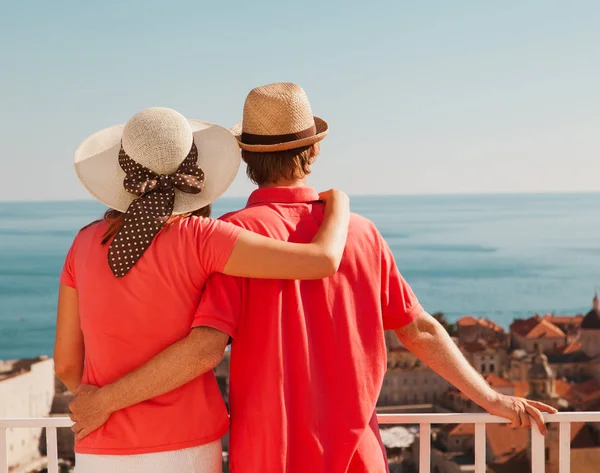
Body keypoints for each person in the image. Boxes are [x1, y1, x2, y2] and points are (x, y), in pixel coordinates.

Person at [69, 85, 557, 473]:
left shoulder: (230, 238)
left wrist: (104, 399)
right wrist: (491, 398)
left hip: (266, 456)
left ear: (244, 159)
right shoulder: (361, 235)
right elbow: (421, 330)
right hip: (355, 454)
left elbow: (203, 345)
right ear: (315, 150)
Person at [54, 106, 351, 473]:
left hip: (100, 447)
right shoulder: (200, 239)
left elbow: (67, 363)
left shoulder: (82, 244)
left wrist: (99, 402)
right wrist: (339, 205)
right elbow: (321, 261)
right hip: (185, 445)